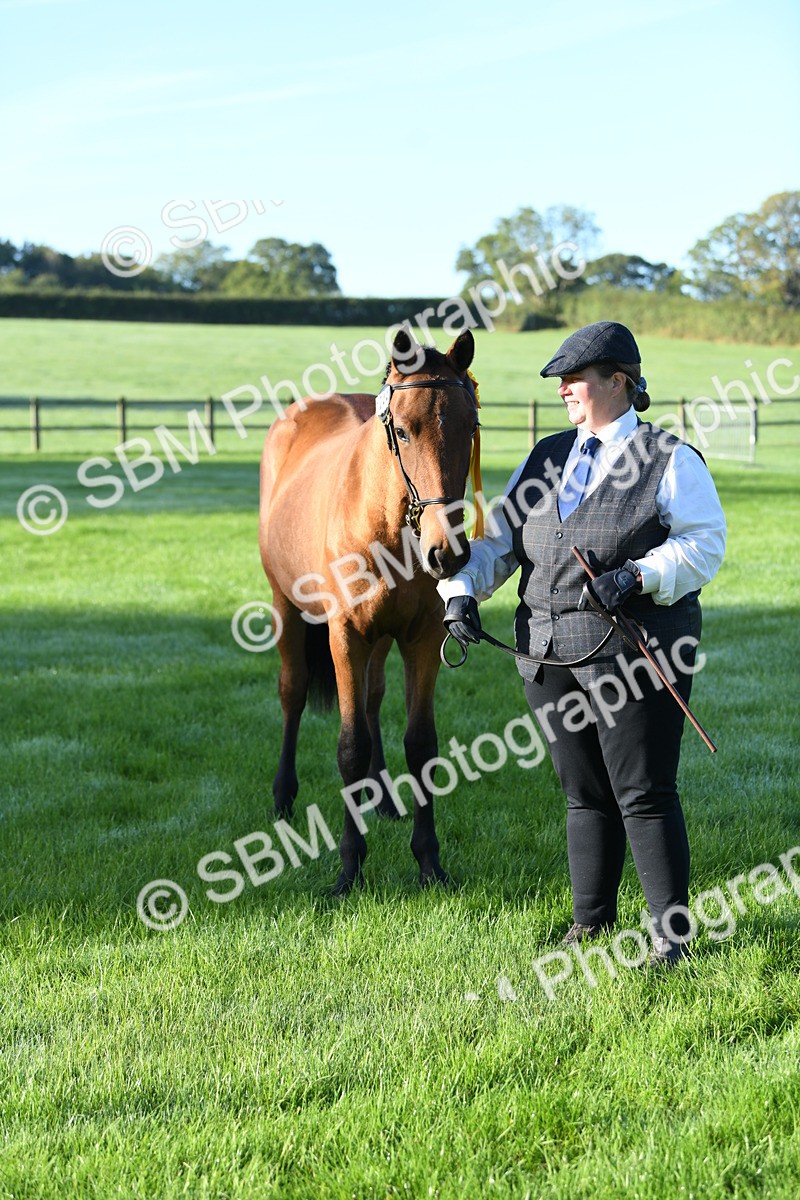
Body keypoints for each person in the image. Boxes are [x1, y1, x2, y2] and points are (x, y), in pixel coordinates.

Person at [439, 321, 726, 966]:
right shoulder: (545, 457)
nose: (564, 389)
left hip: (635, 654)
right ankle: (591, 925)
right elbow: (500, 542)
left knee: (643, 792)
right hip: (546, 655)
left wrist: (639, 575)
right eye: (561, 380)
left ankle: (671, 938)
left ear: (618, 382)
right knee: (583, 793)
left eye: (576, 378)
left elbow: (704, 545)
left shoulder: (669, 458)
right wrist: (461, 591)